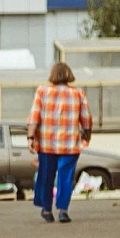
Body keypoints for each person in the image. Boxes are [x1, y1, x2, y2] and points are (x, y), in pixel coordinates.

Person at [27, 62, 92, 224]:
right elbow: (86, 119)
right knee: (66, 177)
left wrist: (30, 137)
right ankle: (63, 210)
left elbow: (34, 117)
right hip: (70, 144)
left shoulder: (42, 91)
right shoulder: (78, 93)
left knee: (46, 176)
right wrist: (87, 136)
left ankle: (47, 209)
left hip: (47, 143)